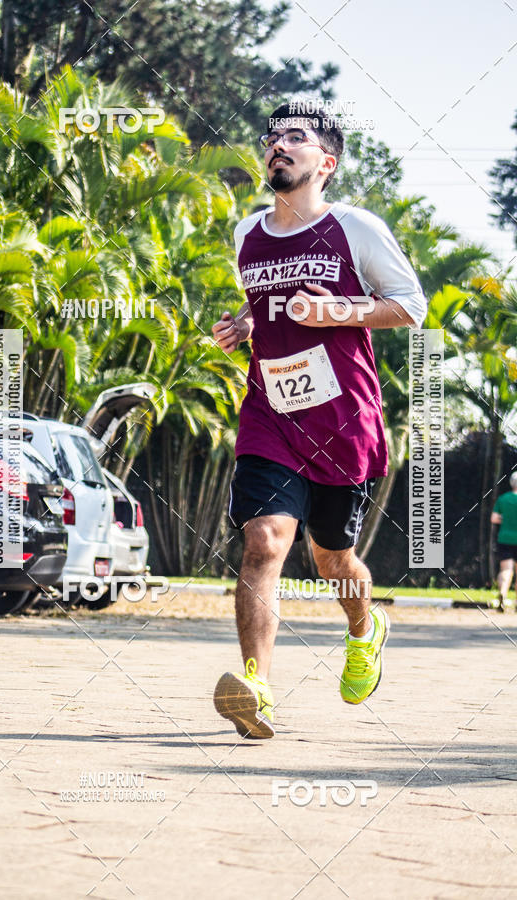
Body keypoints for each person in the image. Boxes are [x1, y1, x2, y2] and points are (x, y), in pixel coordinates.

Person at [211, 100, 428, 739]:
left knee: (333, 558)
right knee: (264, 540)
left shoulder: (354, 227)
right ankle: (257, 688)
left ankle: (365, 627)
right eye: (272, 137)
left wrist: (338, 312)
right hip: (270, 411)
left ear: (326, 163)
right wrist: (244, 324)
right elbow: (264, 303)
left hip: (342, 419)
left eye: (295, 137)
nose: (277, 144)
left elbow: (409, 306)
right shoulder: (248, 234)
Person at [490, 472, 517, 612]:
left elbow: (494, 519)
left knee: (506, 569)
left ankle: (503, 594)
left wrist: (505, 519)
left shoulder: (503, 499)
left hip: (505, 539)